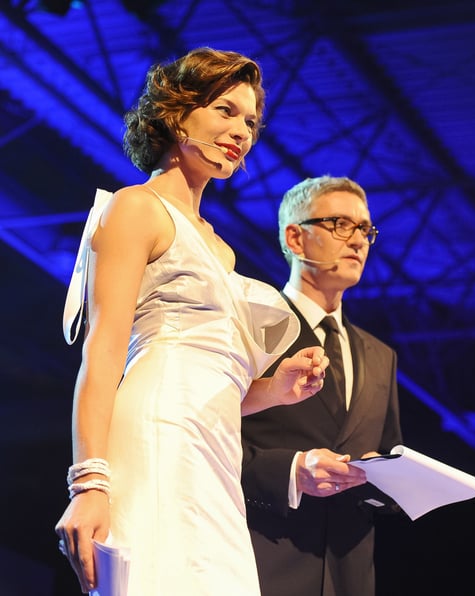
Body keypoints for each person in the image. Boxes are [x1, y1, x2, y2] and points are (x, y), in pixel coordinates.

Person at [54, 47, 329, 596]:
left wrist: (273, 390)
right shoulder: (137, 208)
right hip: (157, 434)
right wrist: (88, 482)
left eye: (250, 121)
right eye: (226, 111)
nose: (242, 131)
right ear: (177, 114)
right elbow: (104, 351)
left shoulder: (220, 249)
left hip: (214, 448)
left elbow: (206, 382)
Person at [241, 175, 404, 596]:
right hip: (262, 562)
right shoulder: (251, 326)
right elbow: (205, 443)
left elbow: (388, 452)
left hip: (350, 572)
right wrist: (292, 472)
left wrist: (393, 479)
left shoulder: (380, 355)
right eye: (340, 225)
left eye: (365, 229)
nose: (359, 241)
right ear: (295, 238)